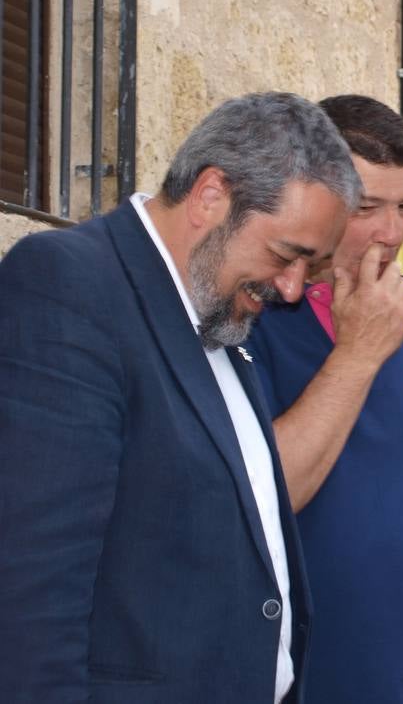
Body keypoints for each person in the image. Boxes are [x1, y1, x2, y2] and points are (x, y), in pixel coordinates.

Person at [0, 92, 361, 703]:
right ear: (211, 195)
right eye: (285, 255)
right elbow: (33, 591)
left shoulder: (219, 319)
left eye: (311, 267)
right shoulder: (70, 284)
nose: (293, 289)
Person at [246, 95, 403, 703]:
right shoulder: (251, 314)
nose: (391, 231)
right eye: (366, 206)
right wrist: (358, 350)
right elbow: (260, 491)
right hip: (299, 665)